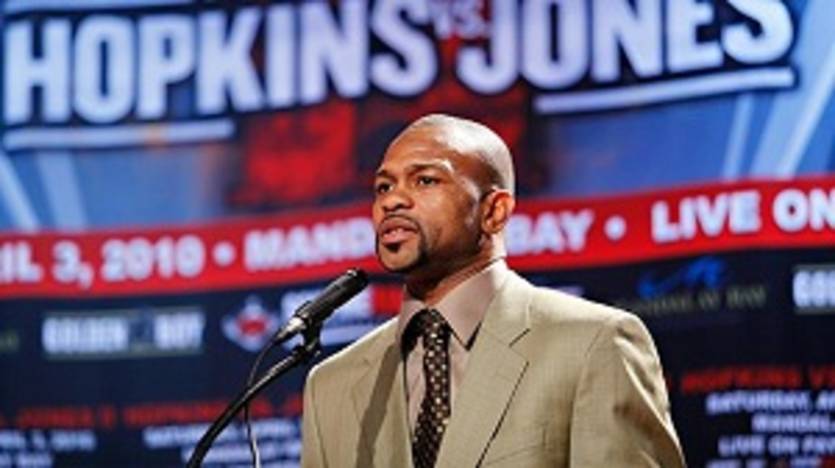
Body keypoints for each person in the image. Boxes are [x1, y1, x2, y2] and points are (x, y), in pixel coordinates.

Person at [301, 114, 686, 467]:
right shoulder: (331, 386)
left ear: (494, 212)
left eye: (425, 180)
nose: (392, 200)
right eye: (383, 186)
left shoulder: (594, 343)